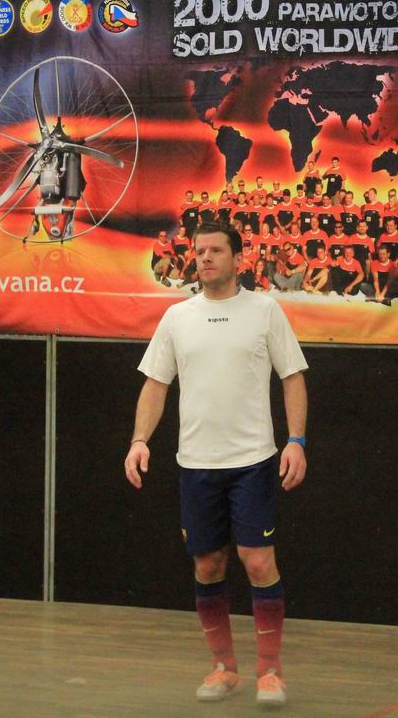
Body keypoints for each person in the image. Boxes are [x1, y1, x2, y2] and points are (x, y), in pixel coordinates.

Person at [128, 221, 308, 707]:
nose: (205, 258)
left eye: (215, 250)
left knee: (258, 561)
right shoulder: (177, 317)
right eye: (199, 250)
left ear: (238, 259)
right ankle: (224, 668)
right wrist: (139, 440)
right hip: (196, 465)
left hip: (253, 462)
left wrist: (295, 440)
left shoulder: (265, 311)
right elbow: (156, 384)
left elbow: (293, 377)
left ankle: (270, 672)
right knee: (208, 564)